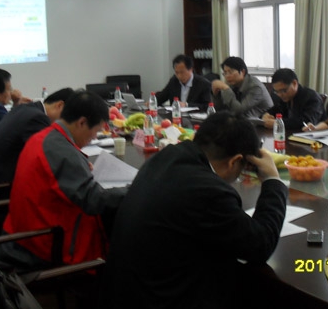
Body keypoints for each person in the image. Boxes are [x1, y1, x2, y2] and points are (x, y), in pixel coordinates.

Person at [106, 111, 287, 308]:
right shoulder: (209, 192)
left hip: (126, 292)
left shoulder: (166, 156)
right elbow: (261, 244)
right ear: (234, 161)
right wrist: (272, 179)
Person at [2, 90, 127, 269]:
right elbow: (93, 200)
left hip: (22, 233)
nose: (94, 137)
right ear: (82, 122)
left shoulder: (45, 137)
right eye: (96, 131)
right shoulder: (62, 152)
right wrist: (135, 189)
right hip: (43, 246)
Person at [0, 87, 75, 215]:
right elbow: (51, 159)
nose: (68, 124)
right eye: (70, 118)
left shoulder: (26, 109)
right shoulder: (37, 119)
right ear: (60, 106)